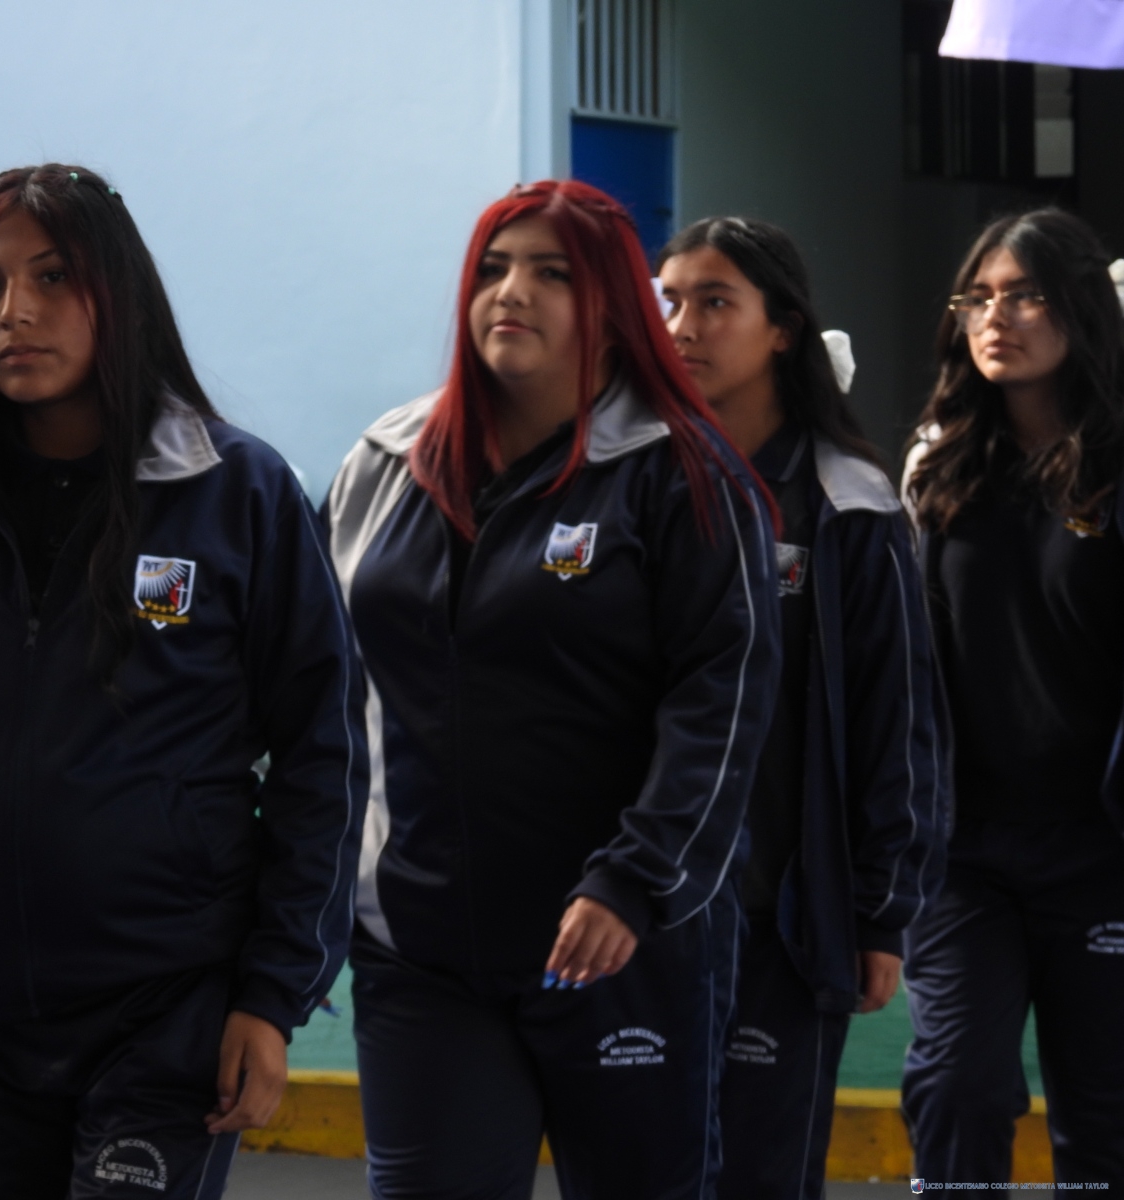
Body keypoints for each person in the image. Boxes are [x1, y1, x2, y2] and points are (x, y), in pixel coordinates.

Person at [0, 164, 365, 1199]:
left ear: (116, 291)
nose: (12, 313)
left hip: (165, 1016)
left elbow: (322, 756)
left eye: (51, 276)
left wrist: (271, 994)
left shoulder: (237, 493)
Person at [324, 179, 780, 1200]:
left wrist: (634, 879)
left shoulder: (684, 475)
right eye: (492, 268)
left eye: (551, 273)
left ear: (613, 307)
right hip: (418, 947)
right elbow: (318, 687)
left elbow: (722, 701)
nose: (511, 293)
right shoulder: (385, 462)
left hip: (619, 946)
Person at [657, 216, 947, 1200]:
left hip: (778, 916)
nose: (681, 326)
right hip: (647, 906)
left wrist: (880, 913)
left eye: (713, 302)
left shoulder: (849, 503)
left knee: (760, 1176)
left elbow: (895, 718)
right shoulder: (636, 482)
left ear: (782, 329)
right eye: (669, 301)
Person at [901, 208, 1124, 1185]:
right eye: (979, 297)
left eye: (1026, 295)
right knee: (956, 1085)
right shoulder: (938, 463)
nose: (996, 318)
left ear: (1081, 308)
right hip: (964, 852)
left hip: (1103, 848)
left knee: (1105, 1113)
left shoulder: (1115, 464)